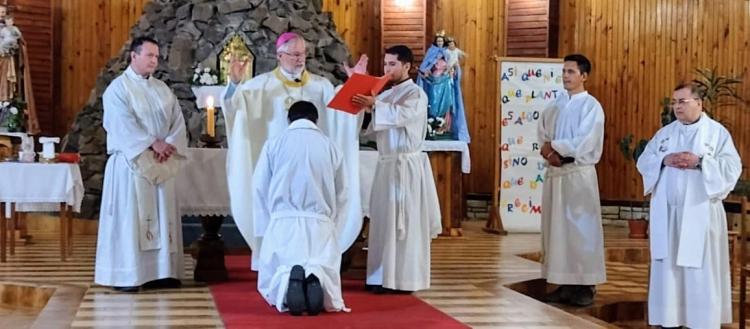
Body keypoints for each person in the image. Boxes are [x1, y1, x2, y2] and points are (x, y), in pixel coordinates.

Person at [222, 32, 366, 270]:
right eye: (295, 54)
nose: (300, 59)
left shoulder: (321, 86)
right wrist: (235, 84)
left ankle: (315, 263)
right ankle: (275, 264)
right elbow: (235, 110)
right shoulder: (260, 86)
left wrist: (354, 85)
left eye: (303, 54)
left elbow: (342, 119)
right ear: (280, 56)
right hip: (279, 171)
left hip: (313, 171)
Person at [637, 82, 741, 328]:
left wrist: (701, 162)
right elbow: (644, 160)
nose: (676, 107)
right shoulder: (665, 133)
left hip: (700, 214)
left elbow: (732, 168)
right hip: (668, 216)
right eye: (674, 102)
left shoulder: (716, 133)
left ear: (699, 103)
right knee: (669, 270)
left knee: (699, 270)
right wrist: (663, 159)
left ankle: (701, 321)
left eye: (682, 101)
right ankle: (669, 320)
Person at [95, 36, 188, 292]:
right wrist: (152, 143)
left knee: (162, 215)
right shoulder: (118, 89)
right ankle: (129, 275)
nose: (154, 61)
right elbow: (121, 124)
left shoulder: (162, 89)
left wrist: (169, 144)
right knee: (132, 220)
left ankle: (163, 272)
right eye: (149, 55)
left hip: (162, 163)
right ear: (134, 56)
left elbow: (177, 121)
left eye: (156, 56)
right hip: (131, 164)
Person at [352, 45, 442, 293]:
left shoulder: (416, 94)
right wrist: (365, 102)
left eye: (392, 64)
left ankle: (403, 280)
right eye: (385, 64)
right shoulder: (384, 95)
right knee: (383, 221)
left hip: (406, 167)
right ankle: (381, 277)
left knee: (405, 225)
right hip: (387, 165)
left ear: (407, 66)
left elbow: (401, 116)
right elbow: (371, 126)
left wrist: (374, 105)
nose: (387, 69)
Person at [253, 101, 349, 316]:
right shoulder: (330, 146)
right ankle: (316, 278)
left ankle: (288, 281)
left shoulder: (274, 143)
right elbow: (343, 191)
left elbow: (260, 186)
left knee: (280, 266)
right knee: (320, 262)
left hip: (283, 220)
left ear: (289, 120)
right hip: (320, 221)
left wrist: (268, 222)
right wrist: (334, 224)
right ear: (316, 120)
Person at [537, 53, 606, 306]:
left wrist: (556, 148)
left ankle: (585, 285)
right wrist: (547, 150)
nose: (566, 76)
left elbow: (586, 141)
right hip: (556, 174)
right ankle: (563, 282)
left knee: (580, 230)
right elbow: (542, 131)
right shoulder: (555, 104)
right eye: (564, 71)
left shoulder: (591, 106)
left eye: (571, 72)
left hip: (577, 174)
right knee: (558, 231)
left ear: (584, 76)